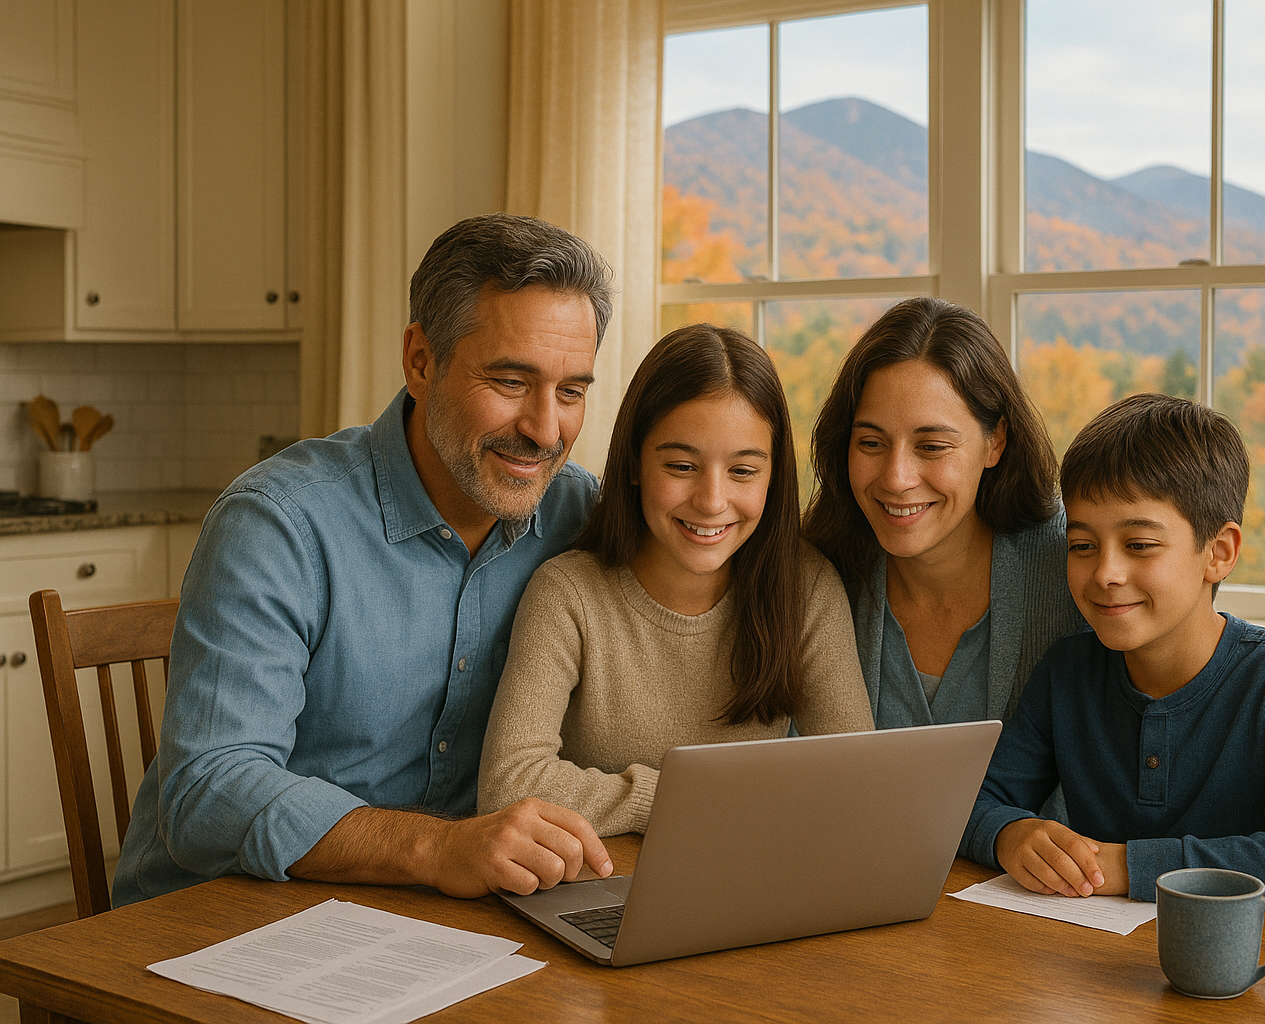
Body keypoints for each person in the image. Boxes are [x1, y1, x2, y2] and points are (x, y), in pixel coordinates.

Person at [113, 214, 619, 906]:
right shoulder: (278, 522)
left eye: (572, 391)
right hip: (217, 918)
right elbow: (209, 791)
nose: (545, 429)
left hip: (434, 917)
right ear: (420, 360)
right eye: (509, 381)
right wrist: (438, 847)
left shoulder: (577, 514)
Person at [962, 393, 1265, 909]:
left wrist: (1129, 866)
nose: (1105, 573)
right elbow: (976, 803)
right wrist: (1010, 834)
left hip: (1263, 969)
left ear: (1218, 553)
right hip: (1099, 968)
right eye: (1082, 545)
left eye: (1139, 545)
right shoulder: (1067, 671)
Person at [478, 324, 874, 834]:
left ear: (774, 475)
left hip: (745, 877)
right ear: (637, 463)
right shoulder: (568, 593)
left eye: (743, 471)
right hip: (595, 880)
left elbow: (854, 780)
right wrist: (678, 799)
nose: (712, 501)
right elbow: (508, 784)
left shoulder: (807, 588)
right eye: (682, 466)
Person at [802, 297, 1083, 729]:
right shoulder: (817, 579)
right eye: (871, 443)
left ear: (996, 442)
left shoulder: (1076, 566)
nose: (896, 478)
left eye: (932, 446)